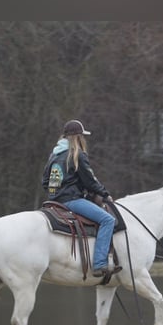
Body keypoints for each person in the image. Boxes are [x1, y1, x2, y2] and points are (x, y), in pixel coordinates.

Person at [42, 119, 120, 278]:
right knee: (107, 220)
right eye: (82, 137)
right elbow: (90, 181)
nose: (84, 140)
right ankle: (99, 264)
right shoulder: (78, 155)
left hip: (53, 202)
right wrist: (105, 194)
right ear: (78, 137)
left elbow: (45, 182)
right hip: (71, 201)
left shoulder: (54, 155)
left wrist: (56, 191)